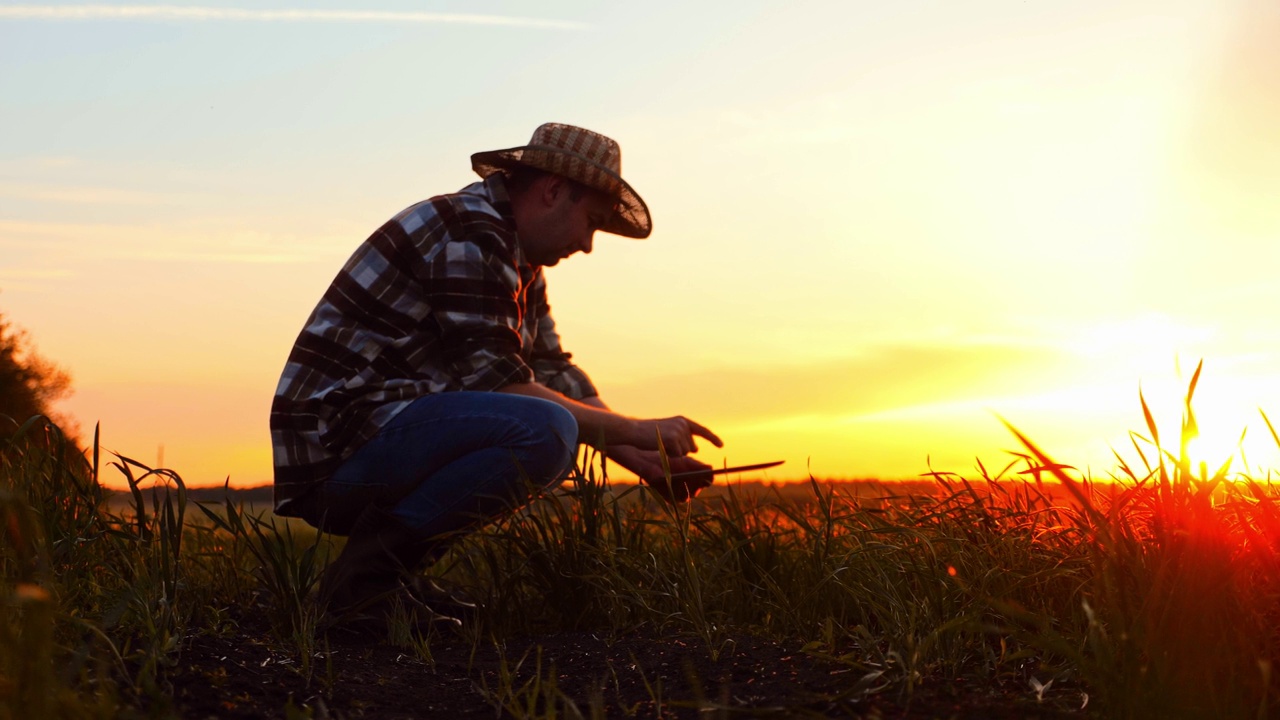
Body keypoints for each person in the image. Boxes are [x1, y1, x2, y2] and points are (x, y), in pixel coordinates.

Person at [269, 122, 723, 630]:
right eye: (592, 222)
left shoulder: (517, 260)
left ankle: (384, 580)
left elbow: (553, 371)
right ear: (553, 191)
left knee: (549, 420)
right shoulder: (470, 231)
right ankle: (361, 587)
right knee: (544, 431)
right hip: (338, 450)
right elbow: (501, 386)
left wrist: (641, 456)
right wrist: (640, 428)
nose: (589, 244)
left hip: (381, 438)